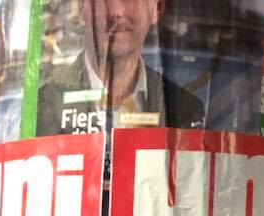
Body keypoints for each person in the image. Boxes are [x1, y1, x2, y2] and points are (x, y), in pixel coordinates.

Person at [36, 0, 205, 136]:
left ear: (156, 8)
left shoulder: (187, 111)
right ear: (82, 7)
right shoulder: (40, 110)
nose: (116, 11)